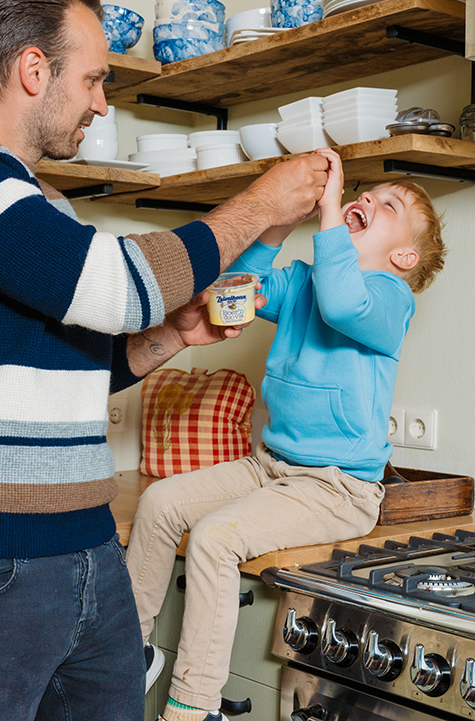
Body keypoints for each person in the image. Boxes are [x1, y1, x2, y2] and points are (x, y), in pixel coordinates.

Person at [0, 0, 330, 721]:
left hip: (87, 553)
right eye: (91, 79)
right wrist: (258, 204)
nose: (100, 103)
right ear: (31, 69)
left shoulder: (40, 201)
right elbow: (117, 286)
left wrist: (169, 337)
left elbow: (74, 362)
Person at [126, 148, 447, 721]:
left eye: (389, 203)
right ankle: (128, 656)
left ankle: (191, 707)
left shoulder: (390, 300)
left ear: (402, 255)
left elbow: (342, 301)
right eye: (368, 192)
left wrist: (327, 215)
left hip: (336, 488)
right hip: (268, 466)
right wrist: (280, 215)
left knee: (216, 539)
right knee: (159, 502)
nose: (368, 197)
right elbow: (234, 283)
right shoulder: (303, 281)